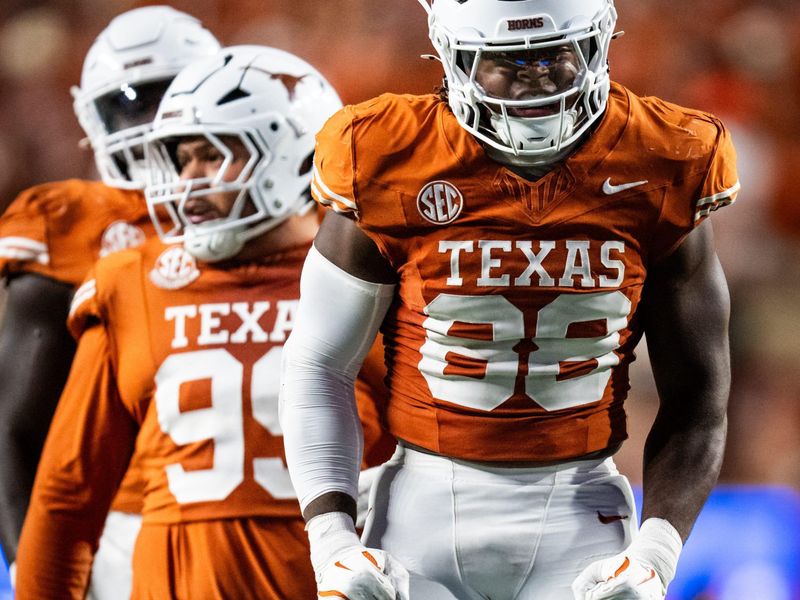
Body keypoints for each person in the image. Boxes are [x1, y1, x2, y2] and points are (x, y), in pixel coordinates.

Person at [279, 0, 738, 598]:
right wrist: (332, 541)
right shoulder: (391, 154)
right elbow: (318, 364)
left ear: (599, 43)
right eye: (508, 62)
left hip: (580, 511)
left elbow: (700, 394)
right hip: (420, 509)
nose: (537, 78)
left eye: (556, 56)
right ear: (451, 57)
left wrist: (656, 553)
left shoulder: (662, 160)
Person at [14, 44, 393, 600]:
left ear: (293, 154)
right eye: (179, 158)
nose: (186, 181)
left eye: (211, 157)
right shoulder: (131, 281)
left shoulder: (368, 276)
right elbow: (68, 495)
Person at [0, 6, 220, 596]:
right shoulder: (67, 226)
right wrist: (32, 569)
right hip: (114, 522)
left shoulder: (272, 212)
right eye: (129, 105)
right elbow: (17, 425)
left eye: (169, 97)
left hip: (238, 509)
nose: (150, 125)